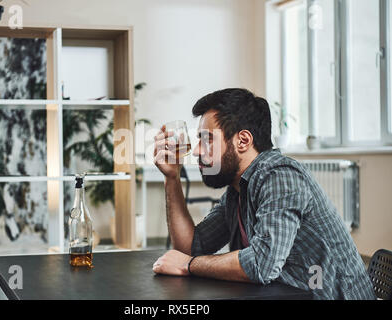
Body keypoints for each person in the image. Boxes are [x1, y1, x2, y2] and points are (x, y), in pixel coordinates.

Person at [152, 88, 376, 300]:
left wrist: (189, 265)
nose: (197, 150)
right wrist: (172, 178)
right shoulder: (237, 190)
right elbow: (191, 246)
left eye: (207, 139)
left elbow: (262, 264)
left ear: (243, 141)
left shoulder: (280, 177)